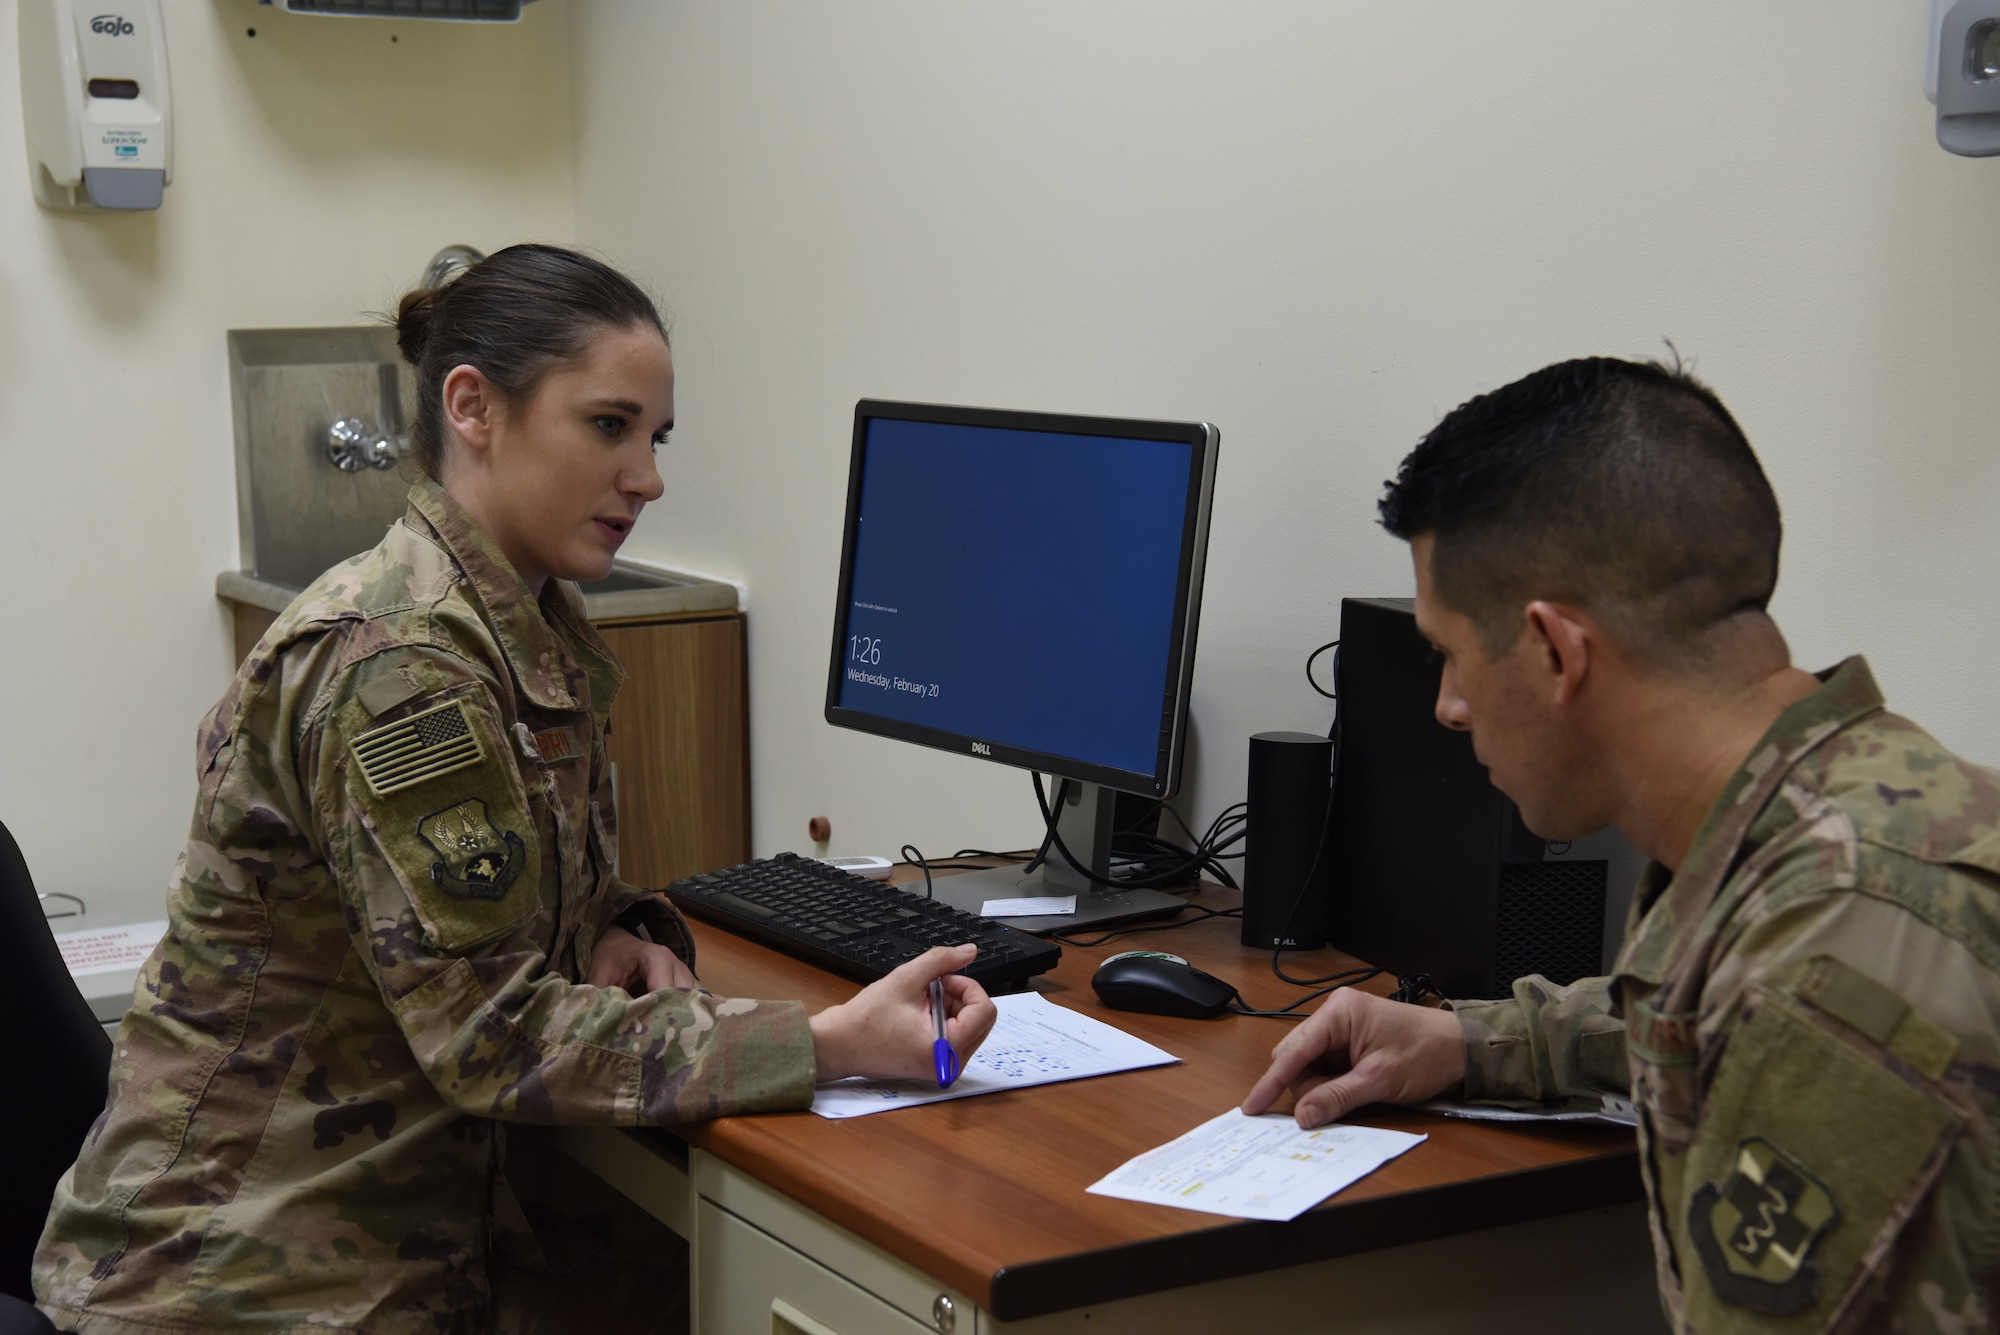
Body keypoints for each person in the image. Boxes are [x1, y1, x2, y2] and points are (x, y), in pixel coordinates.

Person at [33, 244, 998, 1334]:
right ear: (473, 407)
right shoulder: (400, 665)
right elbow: (491, 1038)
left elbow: (510, 891)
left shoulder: (521, 627)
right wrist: (827, 1046)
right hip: (244, 1278)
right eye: (607, 425)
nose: (647, 476)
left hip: (397, 1233)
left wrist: (619, 923)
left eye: (655, 436)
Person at [1242, 357, 2000, 1333]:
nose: (1445, 707)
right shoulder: (1859, 808)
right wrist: (1463, 1040)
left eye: (1447, 656)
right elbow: (1693, 1010)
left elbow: (1780, 1013)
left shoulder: (1826, 969)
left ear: (1556, 651)